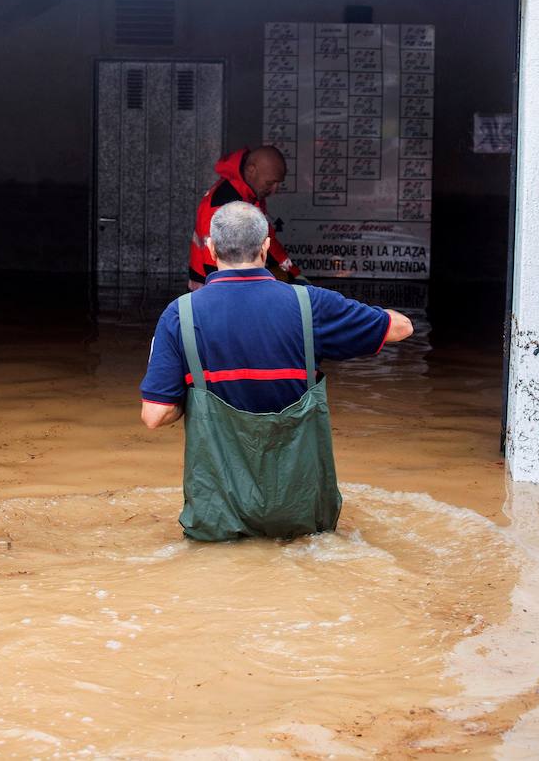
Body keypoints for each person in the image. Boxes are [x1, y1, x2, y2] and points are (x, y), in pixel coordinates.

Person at [142, 202, 413, 542]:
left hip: (217, 518)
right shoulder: (310, 305)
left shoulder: (179, 315)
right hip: (301, 517)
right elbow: (401, 328)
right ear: (267, 246)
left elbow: (155, 415)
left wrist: (192, 399)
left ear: (210, 248)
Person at [188, 145, 303, 290]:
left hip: (230, 285)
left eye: (279, 183)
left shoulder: (249, 194)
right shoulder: (221, 202)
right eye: (270, 183)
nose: (275, 190)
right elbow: (214, 260)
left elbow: (267, 238)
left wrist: (293, 273)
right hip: (210, 289)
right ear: (251, 170)